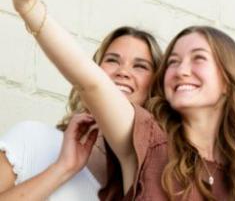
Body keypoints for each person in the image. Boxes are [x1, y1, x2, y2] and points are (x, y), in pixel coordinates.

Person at [10, 0, 235, 201]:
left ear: (229, 80)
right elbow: (91, 81)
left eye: (198, 58)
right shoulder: (150, 143)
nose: (181, 70)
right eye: (173, 61)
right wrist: (29, 7)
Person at [0, 23, 162, 200]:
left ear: (154, 86)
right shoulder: (32, 139)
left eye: (140, 66)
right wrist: (63, 168)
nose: (123, 72)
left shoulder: (150, 181)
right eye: (112, 60)